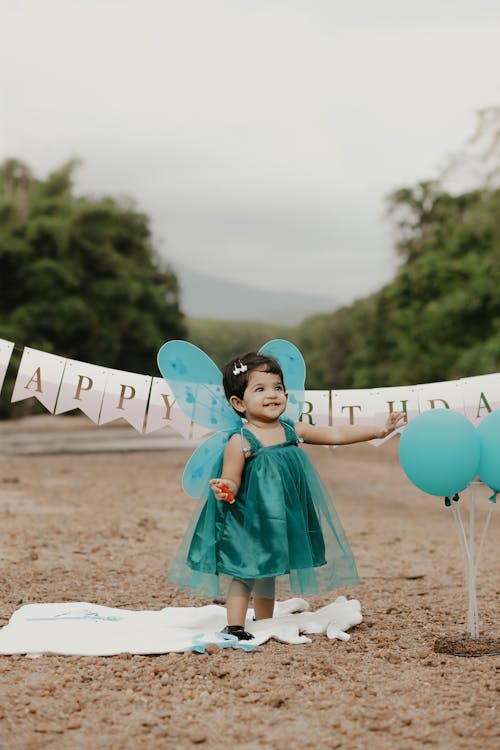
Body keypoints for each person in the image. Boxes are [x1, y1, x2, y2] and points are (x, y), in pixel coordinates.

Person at [167, 350, 404, 640]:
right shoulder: (241, 441)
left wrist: (380, 430)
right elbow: (232, 477)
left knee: (270, 570)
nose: (272, 395)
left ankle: (266, 620)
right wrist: (226, 487)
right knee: (245, 570)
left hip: (280, 516)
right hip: (250, 518)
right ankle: (235, 625)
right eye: (260, 389)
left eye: (277, 388)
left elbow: (336, 434)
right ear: (239, 403)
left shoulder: (290, 429)